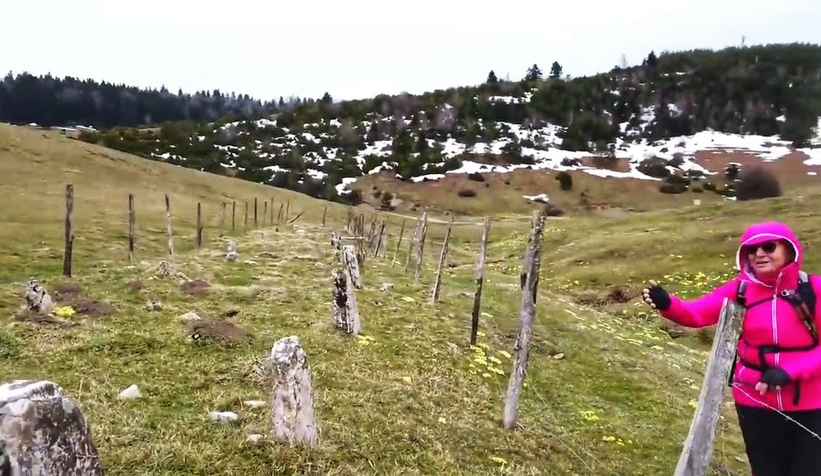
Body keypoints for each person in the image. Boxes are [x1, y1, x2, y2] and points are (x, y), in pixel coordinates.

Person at [642, 220, 821, 476]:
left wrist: (789, 372)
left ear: (789, 250)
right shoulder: (740, 290)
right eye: (751, 249)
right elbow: (695, 314)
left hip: (812, 405)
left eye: (768, 246)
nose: (759, 254)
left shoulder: (813, 290)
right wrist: (667, 303)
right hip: (755, 404)